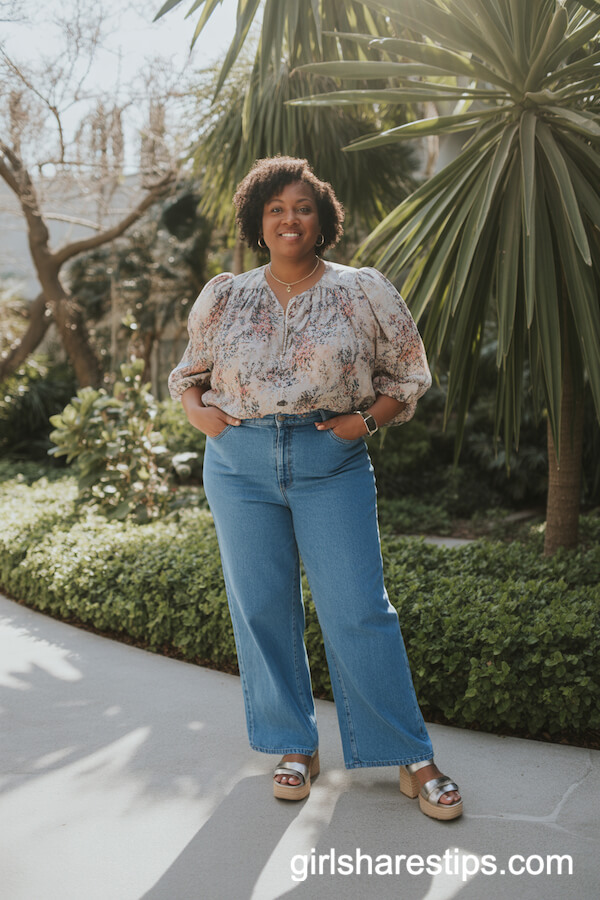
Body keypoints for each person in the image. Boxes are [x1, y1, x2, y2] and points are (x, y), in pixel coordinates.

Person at [168, 156, 462, 821]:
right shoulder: (226, 294)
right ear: (258, 222)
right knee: (262, 607)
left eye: (301, 206)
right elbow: (188, 372)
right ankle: (294, 745)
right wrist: (200, 415)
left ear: (322, 218)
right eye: (274, 209)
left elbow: (410, 374)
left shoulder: (362, 289)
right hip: (237, 463)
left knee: (360, 608)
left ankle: (413, 755)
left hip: (329, 459)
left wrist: (364, 423)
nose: (288, 218)